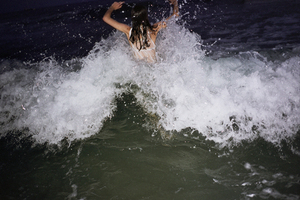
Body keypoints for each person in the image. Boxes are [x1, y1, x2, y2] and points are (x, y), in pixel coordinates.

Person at [103, 0, 179, 63]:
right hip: (153, 72)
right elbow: (175, 16)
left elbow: (105, 18)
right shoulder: (153, 30)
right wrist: (175, 2)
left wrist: (112, 7)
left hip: (139, 74)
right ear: (145, 17)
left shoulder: (128, 31)